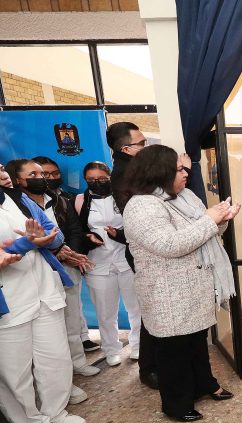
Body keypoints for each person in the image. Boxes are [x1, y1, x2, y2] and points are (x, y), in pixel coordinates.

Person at [121, 145, 239, 422]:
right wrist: (211, 220)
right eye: (178, 169)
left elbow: (203, 235)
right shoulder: (141, 206)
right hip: (167, 293)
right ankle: (176, 404)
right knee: (174, 352)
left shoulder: (185, 197)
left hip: (194, 287)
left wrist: (221, 221)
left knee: (196, 343)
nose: (185, 173)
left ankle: (205, 385)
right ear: (158, 172)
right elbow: (170, 244)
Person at [0, 184, 87, 423]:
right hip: (10, 300)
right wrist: (24, 244)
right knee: (15, 371)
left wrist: (42, 240)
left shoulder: (19, 199)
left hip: (43, 291)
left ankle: (55, 411)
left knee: (56, 357)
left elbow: (55, 236)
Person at [9, 158, 101, 393]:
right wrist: (57, 251)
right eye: (36, 175)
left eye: (46, 175)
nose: (44, 179)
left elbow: (71, 230)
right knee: (48, 334)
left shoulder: (59, 199)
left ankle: (77, 364)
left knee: (71, 318)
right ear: (18, 179)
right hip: (36, 271)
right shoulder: (17, 205)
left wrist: (70, 253)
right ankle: (58, 384)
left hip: (67, 264)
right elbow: (30, 239)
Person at [107, 122, 159, 389]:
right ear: (126, 149)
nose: (145, 146)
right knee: (151, 313)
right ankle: (149, 369)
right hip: (144, 251)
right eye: (141, 143)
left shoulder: (132, 169)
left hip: (144, 248)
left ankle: (154, 365)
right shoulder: (125, 174)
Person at [74, 162, 141, 367]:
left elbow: (136, 227)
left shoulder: (123, 196)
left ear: (110, 176)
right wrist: (88, 238)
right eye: (91, 180)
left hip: (125, 259)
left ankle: (138, 345)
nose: (97, 182)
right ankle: (111, 348)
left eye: (101, 178)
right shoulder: (79, 201)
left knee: (135, 307)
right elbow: (75, 230)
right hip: (98, 262)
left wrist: (118, 235)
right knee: (105, 311)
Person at [33, 155, 101, 354]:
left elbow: (75, 230)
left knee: (73, 308)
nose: (51, 177)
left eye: (55, 173)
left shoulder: (65, 199)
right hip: (45, 265)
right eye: (44, 174)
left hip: (70, 261)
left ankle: (81, 343)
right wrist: (57, 253)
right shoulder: (25, 204)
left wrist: (72, 254)